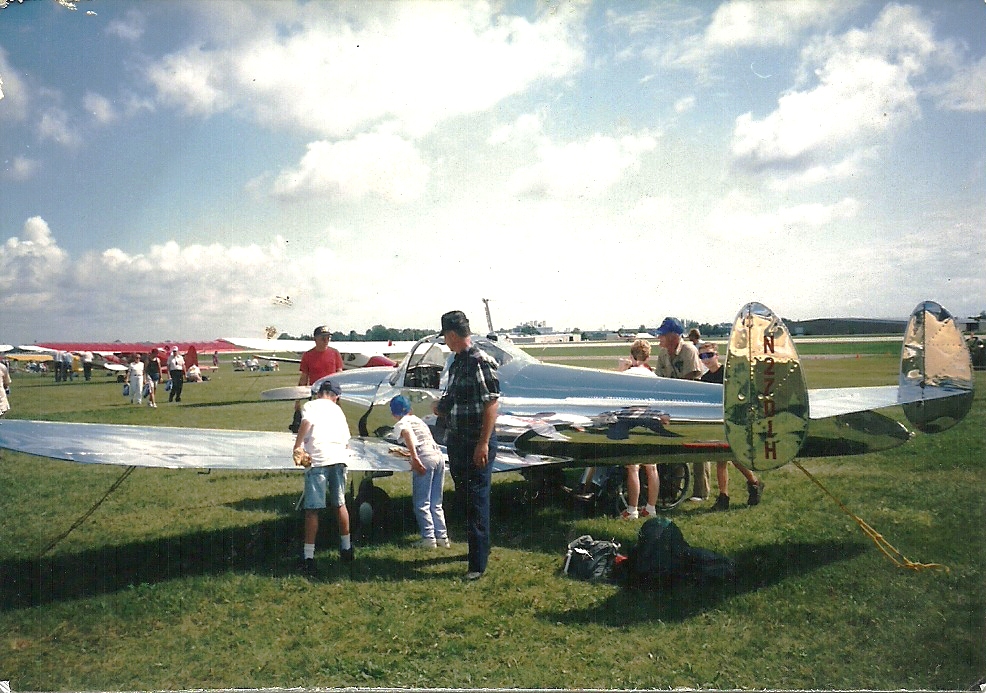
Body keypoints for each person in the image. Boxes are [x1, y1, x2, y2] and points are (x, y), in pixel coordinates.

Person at [435, 310, 499, 581]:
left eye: (446, 338)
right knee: (465, 498)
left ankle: (477, 565)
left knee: (476, 499)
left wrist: (483, 443)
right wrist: (442, 407)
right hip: (458, 440)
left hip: (476, 441)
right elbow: (457, 395)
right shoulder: (458, 361)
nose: (446, 343)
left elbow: (491, 403)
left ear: (452, 335)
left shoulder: (479, 361)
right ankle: (477, 550)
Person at [293, 378, 354, 575]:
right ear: (336, 397)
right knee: (340, 504)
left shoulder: (311, 405)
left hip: (318, 459)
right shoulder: (338, 411)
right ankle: (346, 548)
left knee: (312, 510)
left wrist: (298, 444)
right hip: (339, 458)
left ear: (319, 393)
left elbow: (307, 422)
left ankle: (308, 556)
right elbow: (347, 441)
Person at [698, 342, 764, 510]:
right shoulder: (705, 379)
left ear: (717, 355)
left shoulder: (728, 374)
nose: (706, 359)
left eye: (709, 355)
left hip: (734, 420)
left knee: (733, 458)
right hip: (718, 421)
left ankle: (753, 483)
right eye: (702, 356)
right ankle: (724, 495)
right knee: (722, 459)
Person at [654, 317, 709, 501]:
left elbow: (690, 380)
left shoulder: (689, 350)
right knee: (675, 446)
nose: (659, 338)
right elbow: (659, 379)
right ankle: (672, 489)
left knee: (699, 448)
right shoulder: (662, 353)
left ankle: (701, 492)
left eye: (663, 335)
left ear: (674, 335)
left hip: (693, 404)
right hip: (671, 404)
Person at [390, 395, 450, 548]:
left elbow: (408, 434)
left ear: (393, 414)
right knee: (436, 501)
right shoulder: (418, 420)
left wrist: (415, 458)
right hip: (438, 457)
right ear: (411, 409)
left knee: (421, 502)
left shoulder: (402, 423)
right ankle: (442, 537)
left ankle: (428, 538)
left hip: (425, 458)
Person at [616, 338, 661, 520]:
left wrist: (621, 370)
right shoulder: (654, 376)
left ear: (631, 354)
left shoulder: (628, 374)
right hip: (650, 419)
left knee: (633, 467)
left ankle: (632, 508)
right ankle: (651, 507)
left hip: (633, 419)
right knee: (651, 467)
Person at [290, 325, 343, 433]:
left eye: (328, 338)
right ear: (315, 339)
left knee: (333, 425)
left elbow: (339, 374)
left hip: (332, 395)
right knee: (316, 425)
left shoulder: (335, 353)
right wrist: (297, 399)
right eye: (323, 338)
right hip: (315, 394)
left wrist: (339, 396)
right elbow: (304, 378)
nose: (326, 341)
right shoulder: (308, 355)